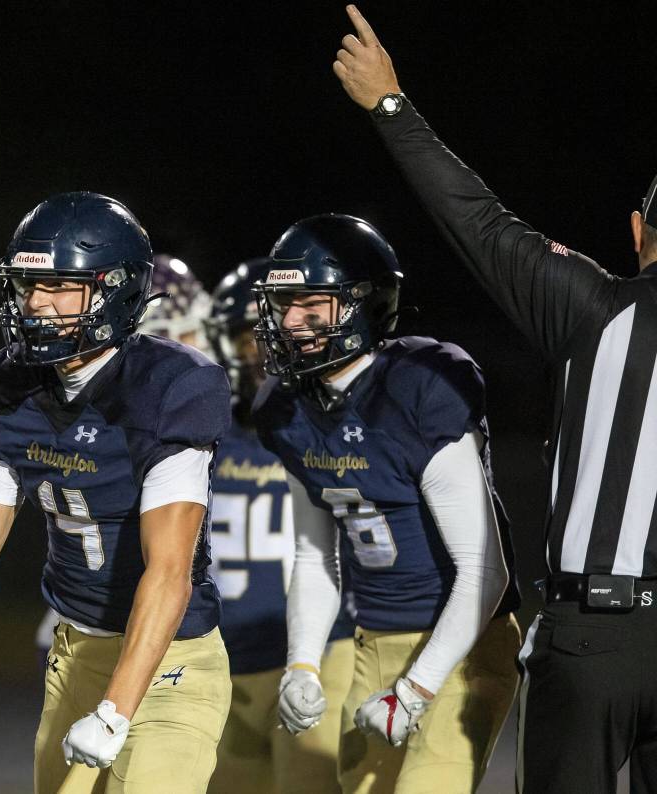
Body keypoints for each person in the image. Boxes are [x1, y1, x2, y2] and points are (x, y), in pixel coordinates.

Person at [333, 7, 657, 791]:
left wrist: (390, 105)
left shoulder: (597, 309)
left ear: (639, 229)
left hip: (595, 639)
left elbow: (477, 221)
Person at [0, 191, 233, 794]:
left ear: (116, 289)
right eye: (28, 285)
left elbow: (169, 574)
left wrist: (115, 711)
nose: (37, 304)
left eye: (61, 285)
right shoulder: (7, 387)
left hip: (170, 661)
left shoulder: (170, 387)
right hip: (74, 655)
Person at [250, 212, 521, 793]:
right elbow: (316, 556)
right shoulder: (287, 407)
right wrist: (302, 662)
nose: (290, 319)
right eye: (282, 301)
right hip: (371, 642)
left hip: (460, 649)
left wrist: (417, 688)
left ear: (362, 304)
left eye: (310, 302)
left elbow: (484, 569)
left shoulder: (420, 387)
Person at [205, 257, 356, 794]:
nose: (266, 350)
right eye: (251, 336)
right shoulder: (194, 431)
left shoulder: (334, 423)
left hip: (323, 651)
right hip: (222, 660)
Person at [32, 252, 215, 665]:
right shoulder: (111, 420)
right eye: (184, 335)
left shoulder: (202, 408)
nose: (198, 348)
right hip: (121, 616)